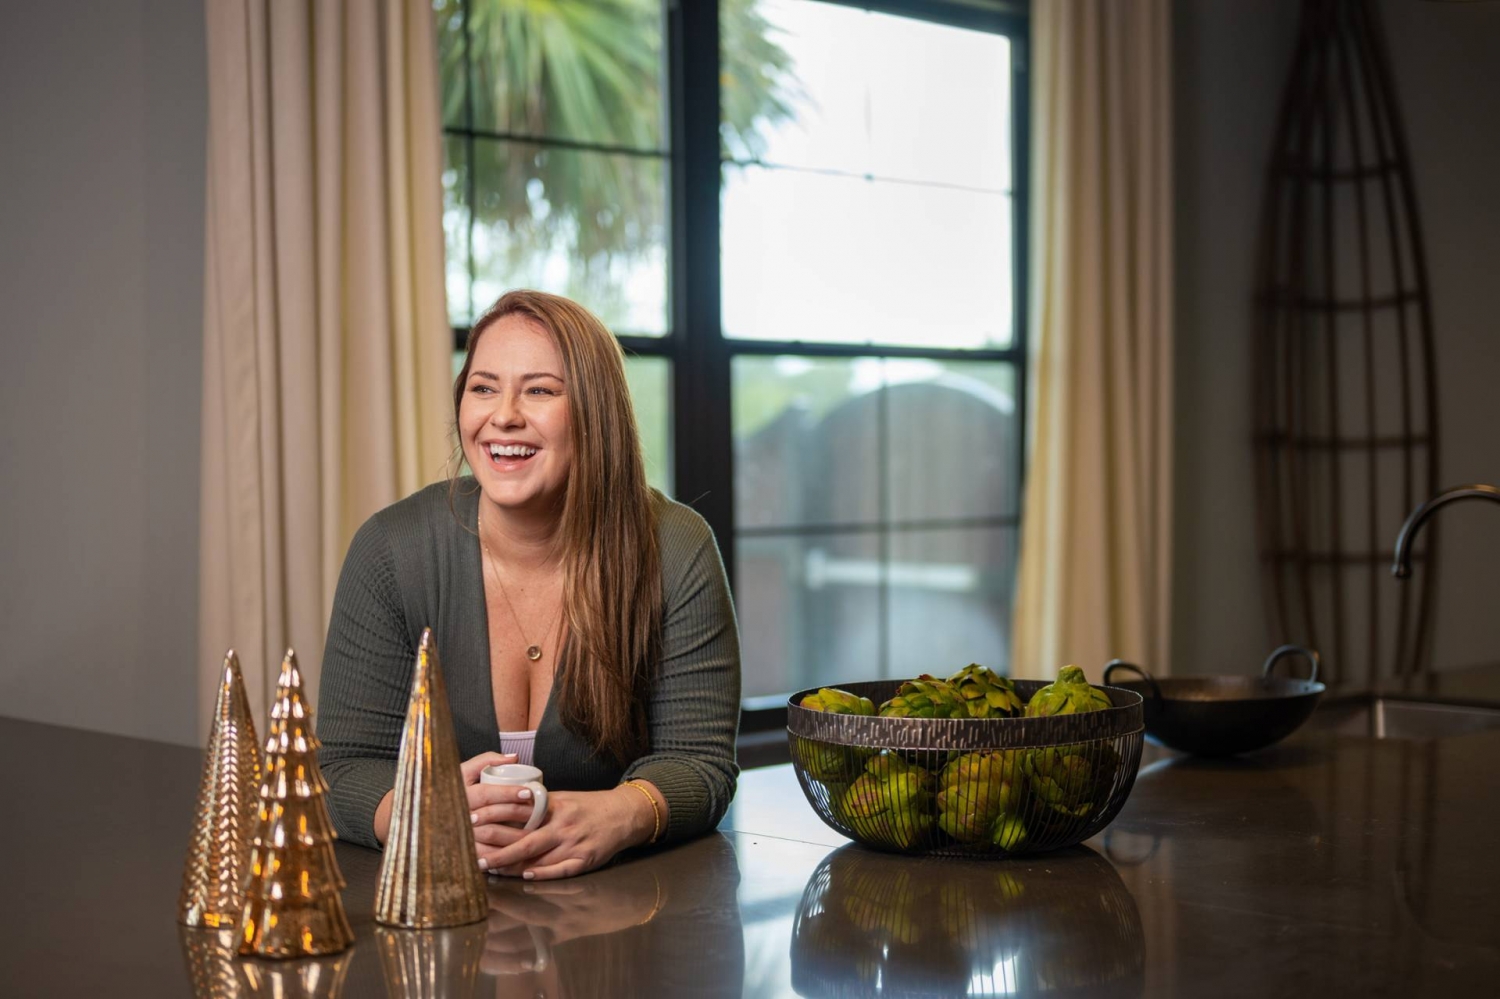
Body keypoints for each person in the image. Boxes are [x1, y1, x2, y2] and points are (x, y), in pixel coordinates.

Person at [317, 289, 741, 881]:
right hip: (436, 902)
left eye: (539, 391)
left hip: (619, 905)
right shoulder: (392, 549)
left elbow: (700, 763)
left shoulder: (677, 547)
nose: (504, 415)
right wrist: (419, 813)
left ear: (595, 413)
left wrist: (621, 813)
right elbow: (343, 767)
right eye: (483, 388)